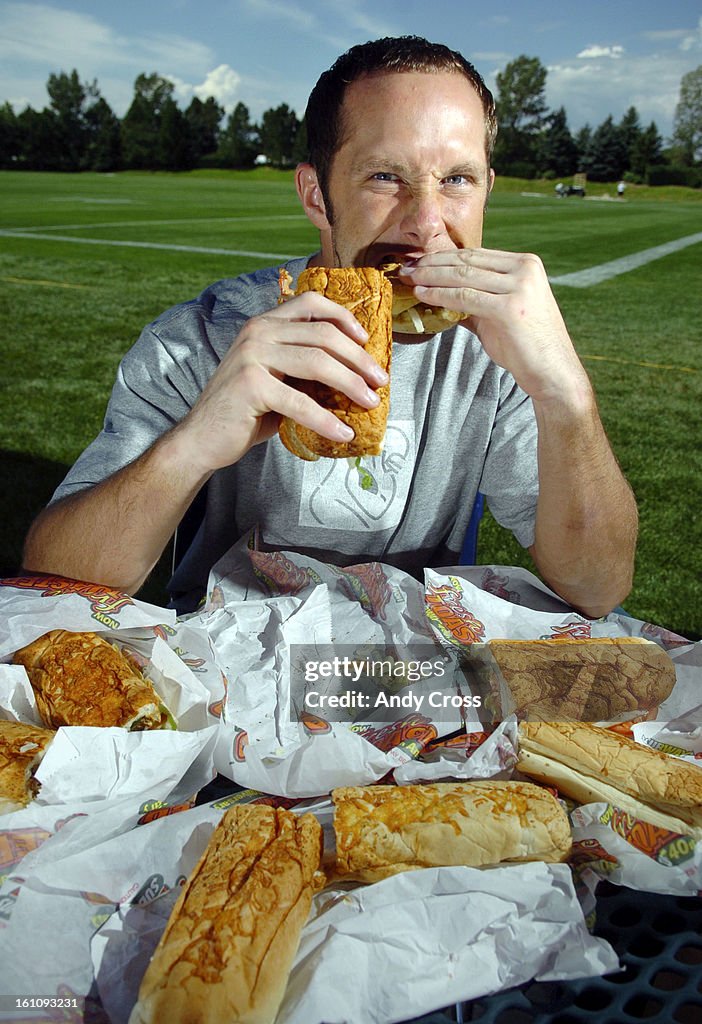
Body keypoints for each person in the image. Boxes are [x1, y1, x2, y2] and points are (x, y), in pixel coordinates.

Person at [22, 36, 637, 618]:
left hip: (413, 680)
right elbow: (58, 585)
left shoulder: (501, 353)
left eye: (456, 179)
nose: (428, 224)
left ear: (486, 191)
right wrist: (193, 443)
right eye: (385, 177)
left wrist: (567, 397)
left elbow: (597, 588)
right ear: (317, 196)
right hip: (225, 682)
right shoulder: (199, 340)